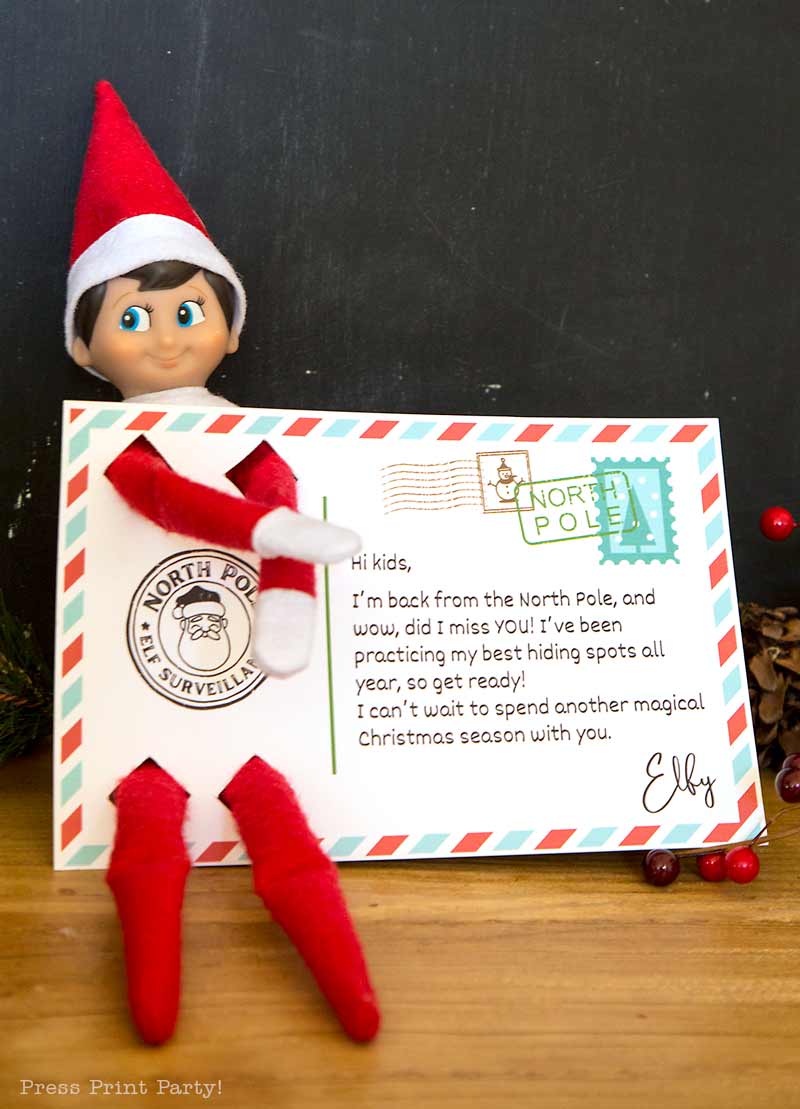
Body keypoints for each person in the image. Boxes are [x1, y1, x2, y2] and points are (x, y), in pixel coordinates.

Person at [64, 80, 380, 1046]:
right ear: (85, 346)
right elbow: (156, 498)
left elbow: (274, 487)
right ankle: (152, 1002)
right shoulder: (107, 442)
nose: (164, 337)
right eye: (130, 319)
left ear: (231, 327)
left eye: (188, 310)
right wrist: (274, 538)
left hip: (257, 706)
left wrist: (284, 573)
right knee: (148, 834)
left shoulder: (254, 436)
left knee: (282, 829)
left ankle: (356, 1001)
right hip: (133, 716)